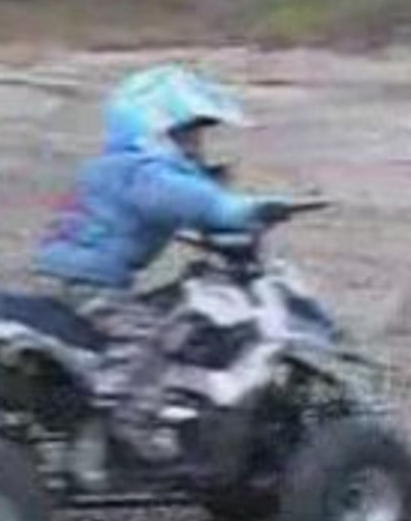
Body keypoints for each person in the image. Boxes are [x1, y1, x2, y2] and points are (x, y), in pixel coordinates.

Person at [34, 64, 288, 461]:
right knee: (146, 336)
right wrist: (239, 209)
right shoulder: (143, 173)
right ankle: (128, 419)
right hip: (91, 283)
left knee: (168, 311)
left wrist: (209, 184)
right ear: (151, 129)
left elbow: (174, 198)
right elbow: (186, 199)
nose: (194, 146)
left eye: (197, 137)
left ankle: (145, 398)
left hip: (76, 276)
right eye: (185, 136)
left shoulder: (117, 166)